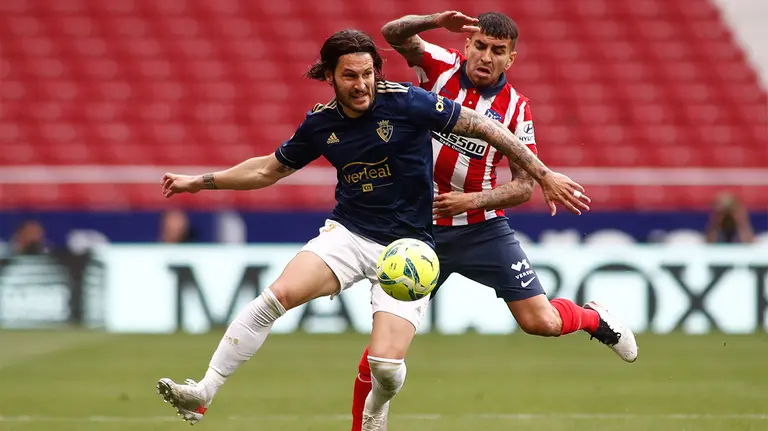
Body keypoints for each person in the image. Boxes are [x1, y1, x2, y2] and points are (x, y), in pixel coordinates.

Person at [155, 29, 588, 429]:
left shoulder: (407, 102)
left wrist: (542, 173)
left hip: (411, 247)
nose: (361, 84)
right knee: (276, 297)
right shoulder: (321, 124)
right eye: (350, 76)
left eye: (368, 74)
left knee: (383, 365)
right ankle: (203, 391)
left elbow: (488, 127)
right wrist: (201, 181)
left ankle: (376, 410)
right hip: (350, 232)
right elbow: (268, 170)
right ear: (329, 76)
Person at [348, 12, 639, 430]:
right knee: (385, 348)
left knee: (541, 322)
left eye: (497, 51)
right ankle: (366, 425)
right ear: (467, 46)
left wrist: (470, 200)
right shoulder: (438, 66)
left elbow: (523, 187)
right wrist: (437, 19)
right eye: (480, 46)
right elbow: (392, 34)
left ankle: (594, 319)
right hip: (419, 232)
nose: (485, 57)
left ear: (511, 59)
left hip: (482, 228)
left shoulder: (517, 109)